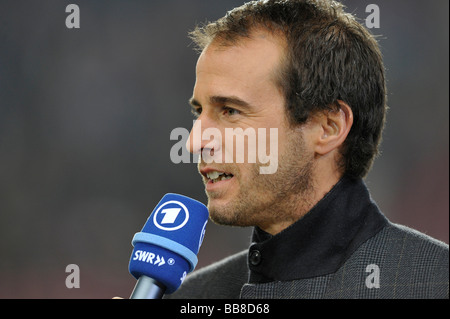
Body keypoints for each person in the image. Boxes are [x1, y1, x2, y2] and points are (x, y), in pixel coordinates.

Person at [167, 0, 449, 299]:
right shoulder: (193, 295)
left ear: (328, 127)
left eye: (231, 111)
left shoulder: (435, 284)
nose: (195, 142)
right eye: (200, 112)